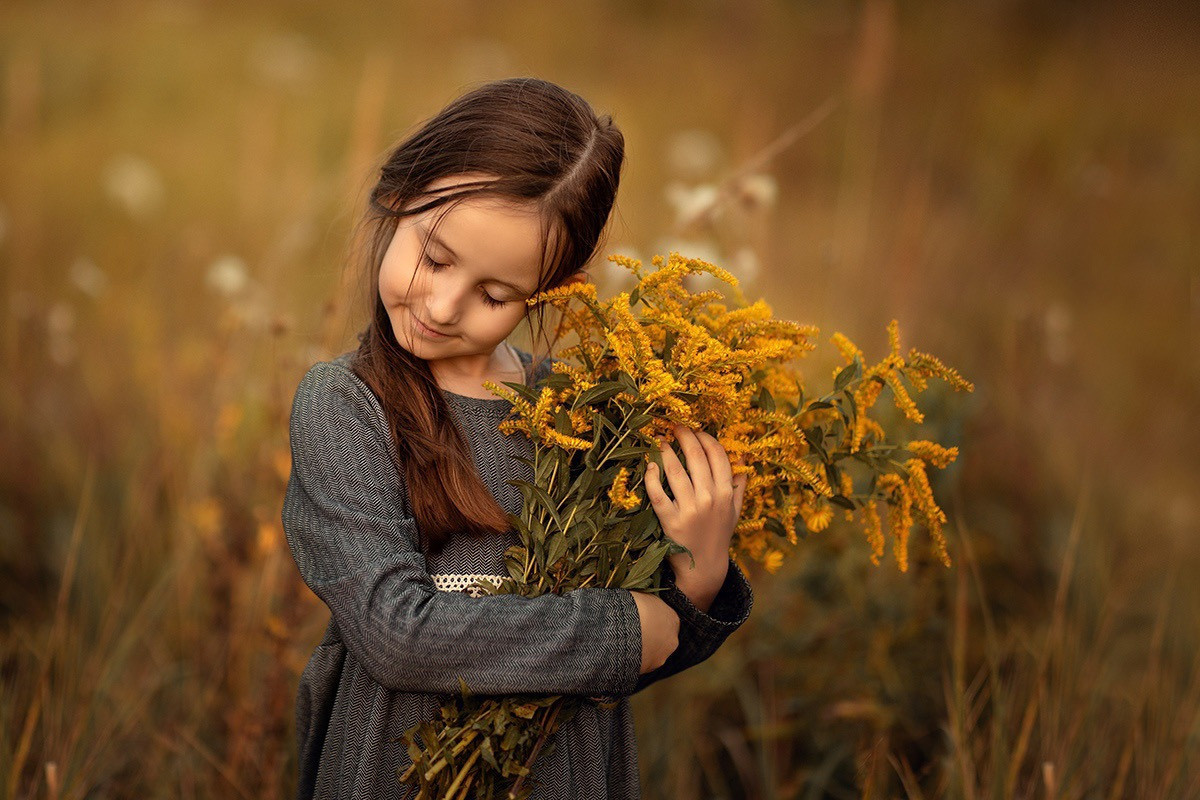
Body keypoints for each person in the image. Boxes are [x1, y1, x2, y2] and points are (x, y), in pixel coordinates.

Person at [281, 77, 753, 800]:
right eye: (435, 259)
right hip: (396, 771)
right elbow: (396, 634)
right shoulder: (346, 405)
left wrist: (699, 583)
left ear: (551, 290)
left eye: (496, 295)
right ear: (397, 194)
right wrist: (619, 629)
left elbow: (644, 650)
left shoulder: (585, 414)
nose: (442, 305)